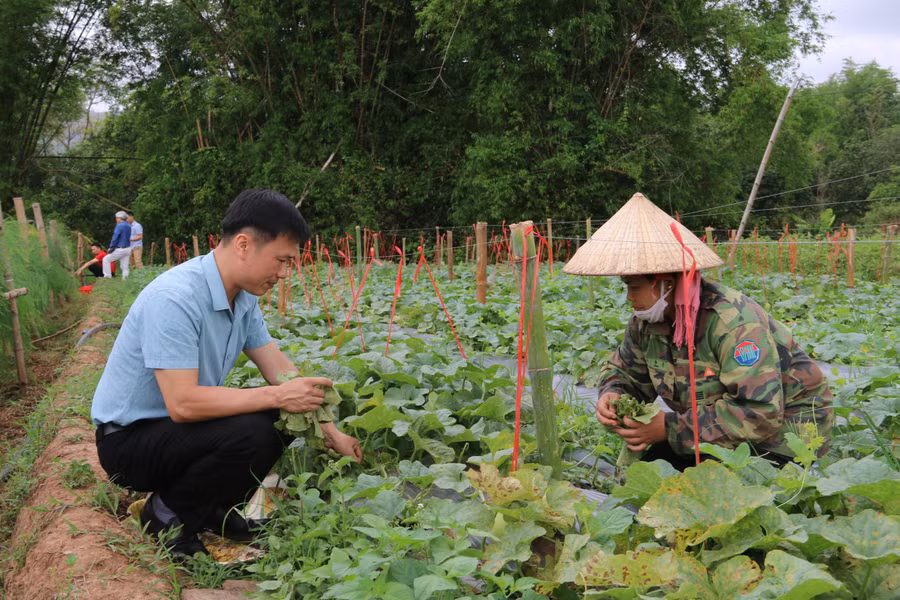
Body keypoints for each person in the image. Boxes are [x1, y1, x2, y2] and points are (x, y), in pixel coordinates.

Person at [91, 189, 362, 559]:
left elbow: (280, 371)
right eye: (281, 260)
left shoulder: (243, 298)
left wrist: (331, 431)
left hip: (176, 435)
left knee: (279, 413)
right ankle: (166, 515)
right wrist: (278, 396)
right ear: (244, 245)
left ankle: (213, 511)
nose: (284, 273)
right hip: (129, 444)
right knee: (255, 426)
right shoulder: (175, 297)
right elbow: (183, 404)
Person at [563, 193, 833, 471]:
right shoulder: (646, 322)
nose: (629, 297)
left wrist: (668, 428)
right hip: (713, 432)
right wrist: (613, 394)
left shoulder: (734, 324)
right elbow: (626, 372)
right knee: (650, 471)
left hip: (785, 439)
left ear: (666, 284)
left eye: (635, 288)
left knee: (711, 486)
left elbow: (760, 413)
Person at [103, 211, 132, 279]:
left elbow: (115, 238)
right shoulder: (129, 226)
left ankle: (107, 276)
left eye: (116, 218)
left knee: (106, 259)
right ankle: (125, 280)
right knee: (125, 267)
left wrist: (111, 247)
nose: (116, 220)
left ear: (120, 218)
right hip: (128, 248)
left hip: (120, 249)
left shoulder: (119, 226)